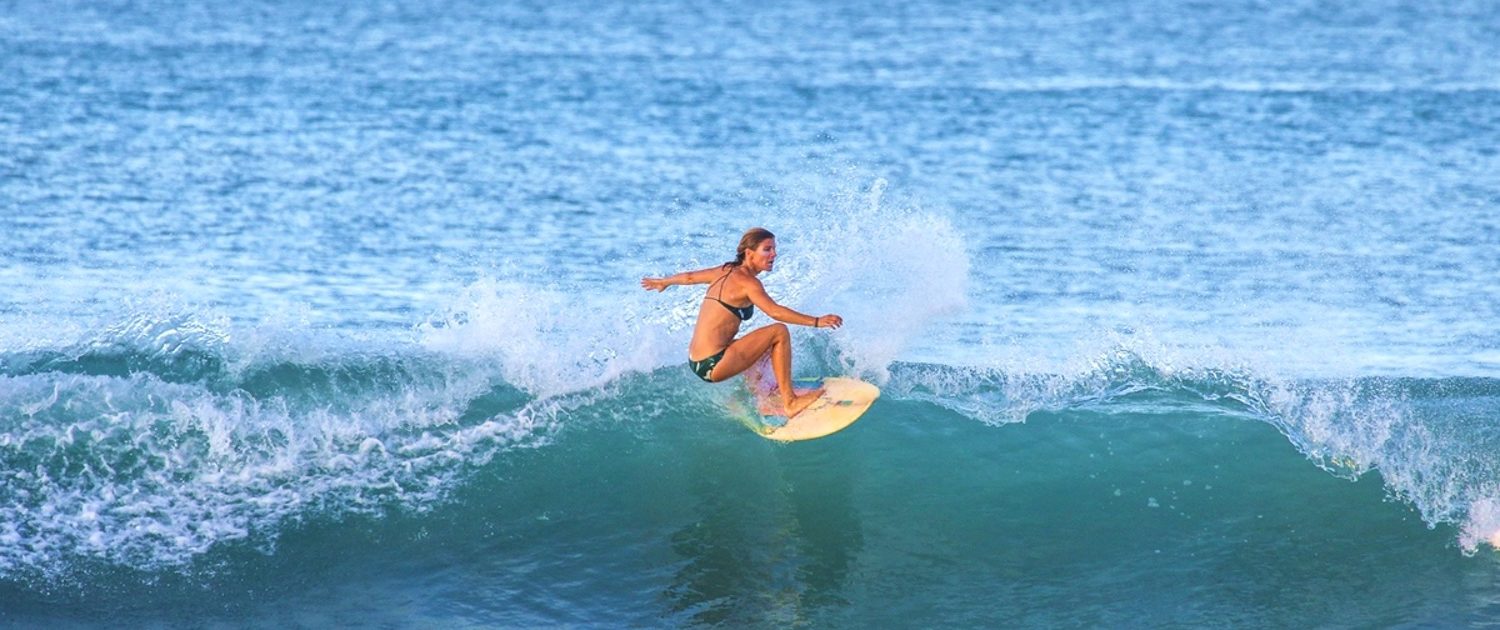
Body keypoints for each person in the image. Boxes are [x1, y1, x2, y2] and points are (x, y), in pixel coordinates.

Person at [641, 227, 843, 418]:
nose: (774, 254)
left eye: (774, 249)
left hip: (697, 360)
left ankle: (764, 397)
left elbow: (689, 277)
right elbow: (774, 312)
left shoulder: (724, 270)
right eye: (767, 249)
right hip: (714, 363)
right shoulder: (749, 283)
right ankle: (790, 402)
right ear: (749, 253)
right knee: (778, 332)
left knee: (763, 346)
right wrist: (816, 321)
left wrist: (664, 282)